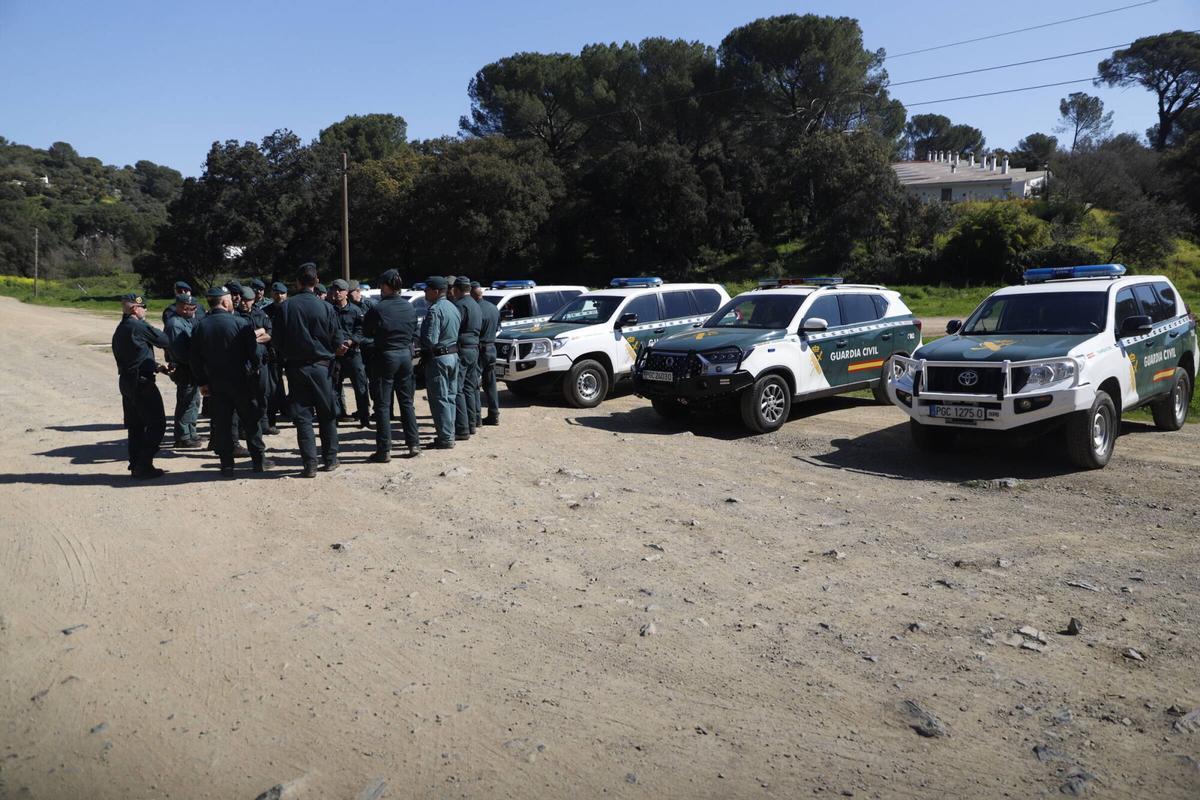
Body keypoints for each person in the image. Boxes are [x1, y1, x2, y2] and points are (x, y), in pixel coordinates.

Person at [191, 287, 269, 476]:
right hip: (242, 381)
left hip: (216, 383)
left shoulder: (200, 326)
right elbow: (255, 353)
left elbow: (194, 358)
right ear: (225, 302)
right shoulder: (240, 323)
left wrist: (202, 382)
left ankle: (227, 465)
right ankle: (258, 462)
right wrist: (257, 367)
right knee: (251, 422)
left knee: (223, 424)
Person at [274, 263, 343, 477]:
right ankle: (330, 458)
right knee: (327, 414)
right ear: (317, 281)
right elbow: (337, 339)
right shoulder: (326, 307)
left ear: (297, 282)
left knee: (303, 417)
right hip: (322, 367)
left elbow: (276, 340)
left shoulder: (286, 307)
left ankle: (310, 464)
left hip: (296, 368)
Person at [112, 291, 171, 479]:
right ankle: (144, 463)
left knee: (136, 426)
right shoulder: (137, 325)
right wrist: (144, 323)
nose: (145, 311)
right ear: (136, 308)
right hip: (141, 383)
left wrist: (155, 366)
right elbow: (164, 340)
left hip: (128, 381)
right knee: (158, 424)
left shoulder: (121, 327)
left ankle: (136, 463)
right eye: (143, 308)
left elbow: (135, 355)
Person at [363, 269, 420, 461]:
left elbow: (367, 331)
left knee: (383, 405)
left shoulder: (378, 308)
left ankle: (384, 449)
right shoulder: (409, 307)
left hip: (386, 356)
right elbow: (414, 329)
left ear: (386, 286)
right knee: (407, 403)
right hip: (405, 355)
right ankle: (413, 444)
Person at [418, 276, 461, 449]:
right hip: (453, 356)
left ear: (436, 291)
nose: (425, 292)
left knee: (439, 399)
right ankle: (449, 434)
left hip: (439, 359)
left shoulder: (435, 310)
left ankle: (445, 438)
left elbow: (430, 340)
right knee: (450, 397)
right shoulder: (453, 307)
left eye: (427, 289)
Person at [329, 278, 371, 426]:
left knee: (360, 387)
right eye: (334, 290)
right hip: (336, 355)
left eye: (340, 290)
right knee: (334, 388)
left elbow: (361, 331)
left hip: (353, 353)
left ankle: (365, 418)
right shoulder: (329, 310)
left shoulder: (355, 311)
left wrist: (350, 342)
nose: (337, 293)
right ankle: (336, 417)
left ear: (346, 292)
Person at [164, 294, 203, 448]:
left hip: (190, 367)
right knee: (186, 402)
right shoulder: (175, 324)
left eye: (194, 308)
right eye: (189, 308)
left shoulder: (185, 321)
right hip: (184, 368)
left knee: (194, 401)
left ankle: (190, 432)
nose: (193, 311)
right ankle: (182, 436)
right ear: (180, 306)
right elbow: (180, 352)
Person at [237, 286, 274, 437]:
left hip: (261, 360)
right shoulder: (236, 316)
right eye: (242, 300)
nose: (244, 303)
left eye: (247, 300)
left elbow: (270, 334)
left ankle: (264, 423)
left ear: (253, 300)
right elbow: (239, 339)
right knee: (245, 394)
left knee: (263, 392)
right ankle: (244, 427)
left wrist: (252, 338)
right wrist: (259, 332)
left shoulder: (260, 313)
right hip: (244, 361)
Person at [449, 276, 481, 440]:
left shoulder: (460, 305)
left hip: (462, 349)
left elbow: (455, 327)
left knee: (458, 389)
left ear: (458, 289)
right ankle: (473, 423)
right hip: (474, 348)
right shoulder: (476, 304)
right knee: (469, 387)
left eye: (454, 289)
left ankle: (462, 428)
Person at [472, 281, 501, 426]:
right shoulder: (493, 308)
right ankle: (494, 414)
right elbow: (498, 328)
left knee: (475, 383)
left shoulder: (475, 309)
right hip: (491, 347)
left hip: (479, 349)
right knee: (491, 383)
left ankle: (476, 417)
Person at [264, 281, 289, 428]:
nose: (279, 296)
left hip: (291, 351)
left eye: (282, 293)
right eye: (276, 293)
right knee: (274, 383)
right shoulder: (266, 311)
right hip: (274, 352)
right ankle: (272, 416)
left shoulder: (292, 308)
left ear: (286, 294)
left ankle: (289, 409)